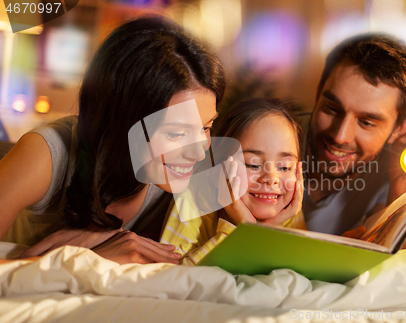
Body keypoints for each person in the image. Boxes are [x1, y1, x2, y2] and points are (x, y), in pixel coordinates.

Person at [0, 16, 226, 264]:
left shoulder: (179, 178)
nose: (198, 153)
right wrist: (78, 260)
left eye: (206, 127)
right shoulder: (46, 154)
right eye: (176, 134)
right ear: (123, 121)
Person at [302, 33, 406, 235]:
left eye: (366, 122)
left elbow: (393, 256)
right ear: (318, 94)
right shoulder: (268, 138)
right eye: (332, 109)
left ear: (400, 128)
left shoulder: (394, 167)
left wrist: (400, 197)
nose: (340, 136)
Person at [161, 98, 305, 265]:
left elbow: (303, 274)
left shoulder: (287, 210)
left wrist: (266, 232)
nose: (271, 179)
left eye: (284, 167)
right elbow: (172, 279)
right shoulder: (191, 200)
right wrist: (244, 231)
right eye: (253, 164)